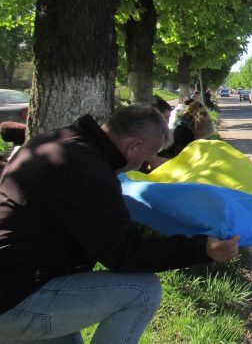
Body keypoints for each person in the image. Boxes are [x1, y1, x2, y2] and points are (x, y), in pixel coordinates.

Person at [0, 104, 239, 343]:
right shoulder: (89, 171)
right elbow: (125, 253)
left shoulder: (57, 142)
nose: (143, 165)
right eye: (147, 156)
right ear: (133, 145)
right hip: (16, 299)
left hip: (20, 282)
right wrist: (202, 249)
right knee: (143, 291)